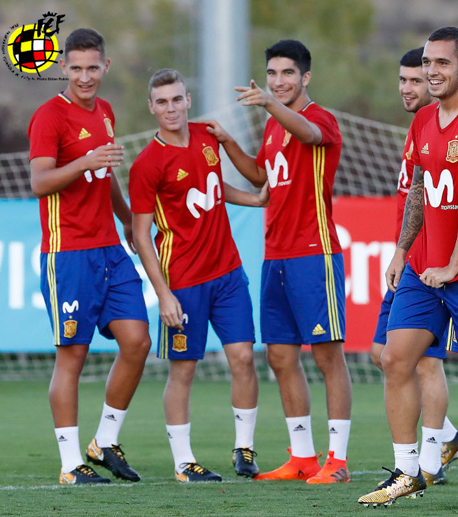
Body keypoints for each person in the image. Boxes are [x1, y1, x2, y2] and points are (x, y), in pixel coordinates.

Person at [357, 26, 458, 510]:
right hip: (423, 268)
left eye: (442, 63)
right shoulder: (423, 119)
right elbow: (420, 189)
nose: (432, 71)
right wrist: (404, 249)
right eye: (428, 63)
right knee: (395, 359)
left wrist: (451, 266)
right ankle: (407, 470)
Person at [211, 39, 353, 484]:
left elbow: (309, 136)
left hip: (315, 255)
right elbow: (261, 176)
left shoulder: (319, 119)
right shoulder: (274, 127)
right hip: (276, 256)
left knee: (328, 357)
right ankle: (303, 458)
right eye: (271, 74)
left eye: (287, 73)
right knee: (280, 356)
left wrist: (270, 103)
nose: (278, 81)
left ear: (305, 77)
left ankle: (339, 461)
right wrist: (230, 143)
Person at [27, 27, 151, 485]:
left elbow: (106, 174)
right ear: (63, 67)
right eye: (76, 68)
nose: (84, 76)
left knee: (138, 341)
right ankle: (69, 464)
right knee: (72, 358)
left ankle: (104, 441)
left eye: (92, 67)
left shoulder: (105, 111)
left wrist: (125, 219)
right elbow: (40, 182)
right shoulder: (49, 118)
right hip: (69, 254)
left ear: (106, 67)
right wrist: (85, 160)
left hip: (109, 251)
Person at [130, 69, 265, 482]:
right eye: (162, 102)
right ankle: (183, 461)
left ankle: (244, 449)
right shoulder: (147, 163)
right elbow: (139, 234)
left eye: (177, 99)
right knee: (183, 369)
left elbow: (215, 186)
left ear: (188, 100)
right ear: (151, 107)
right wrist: (163, 294)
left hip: (227, 273)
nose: (171, 108)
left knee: (243, 358)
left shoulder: (208, 137)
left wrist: (255, 200)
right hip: (183, 281)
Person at [367, 46, 458, 485]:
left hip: (436, 267)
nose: (410, 86)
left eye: (418, 77)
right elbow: (415, 198)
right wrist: (400, 250)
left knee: (423, 362)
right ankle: (446, 439)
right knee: (384, 356)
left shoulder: (453, 126)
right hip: (411, 261)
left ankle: (430, 459)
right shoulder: (420, 126)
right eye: (405, 78)